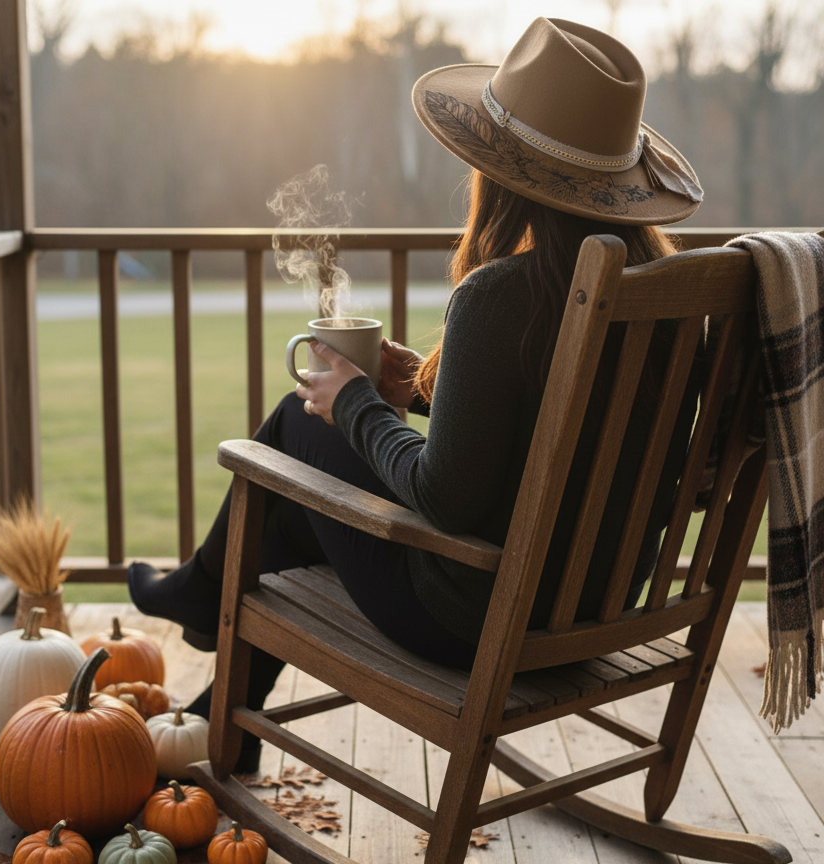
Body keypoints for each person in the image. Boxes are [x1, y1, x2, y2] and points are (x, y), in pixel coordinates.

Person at [128, 17, 704, 772]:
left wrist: (359, 401)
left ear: (498, 176)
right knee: (299, 499)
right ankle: (218, 715)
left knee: (294, 435)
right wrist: (424, 396)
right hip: (599, 603)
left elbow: (447, 501)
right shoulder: (665, 300)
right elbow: (565, 434)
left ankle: (199, 595)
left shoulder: (500, 299)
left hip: (476, 620)